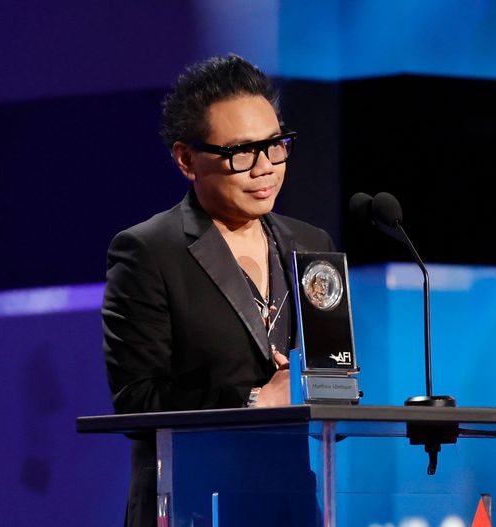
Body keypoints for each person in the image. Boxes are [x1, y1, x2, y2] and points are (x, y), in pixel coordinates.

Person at [102, 55, 334, 527]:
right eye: (242, 153)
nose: (264, 168)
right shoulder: (148, 251)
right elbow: (136, 400)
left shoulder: (312, 245)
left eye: (275, 145)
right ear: (187, 159)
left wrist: (325, 387)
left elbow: (333, 372)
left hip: (287, 504)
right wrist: (254, 401)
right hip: (187, 502)